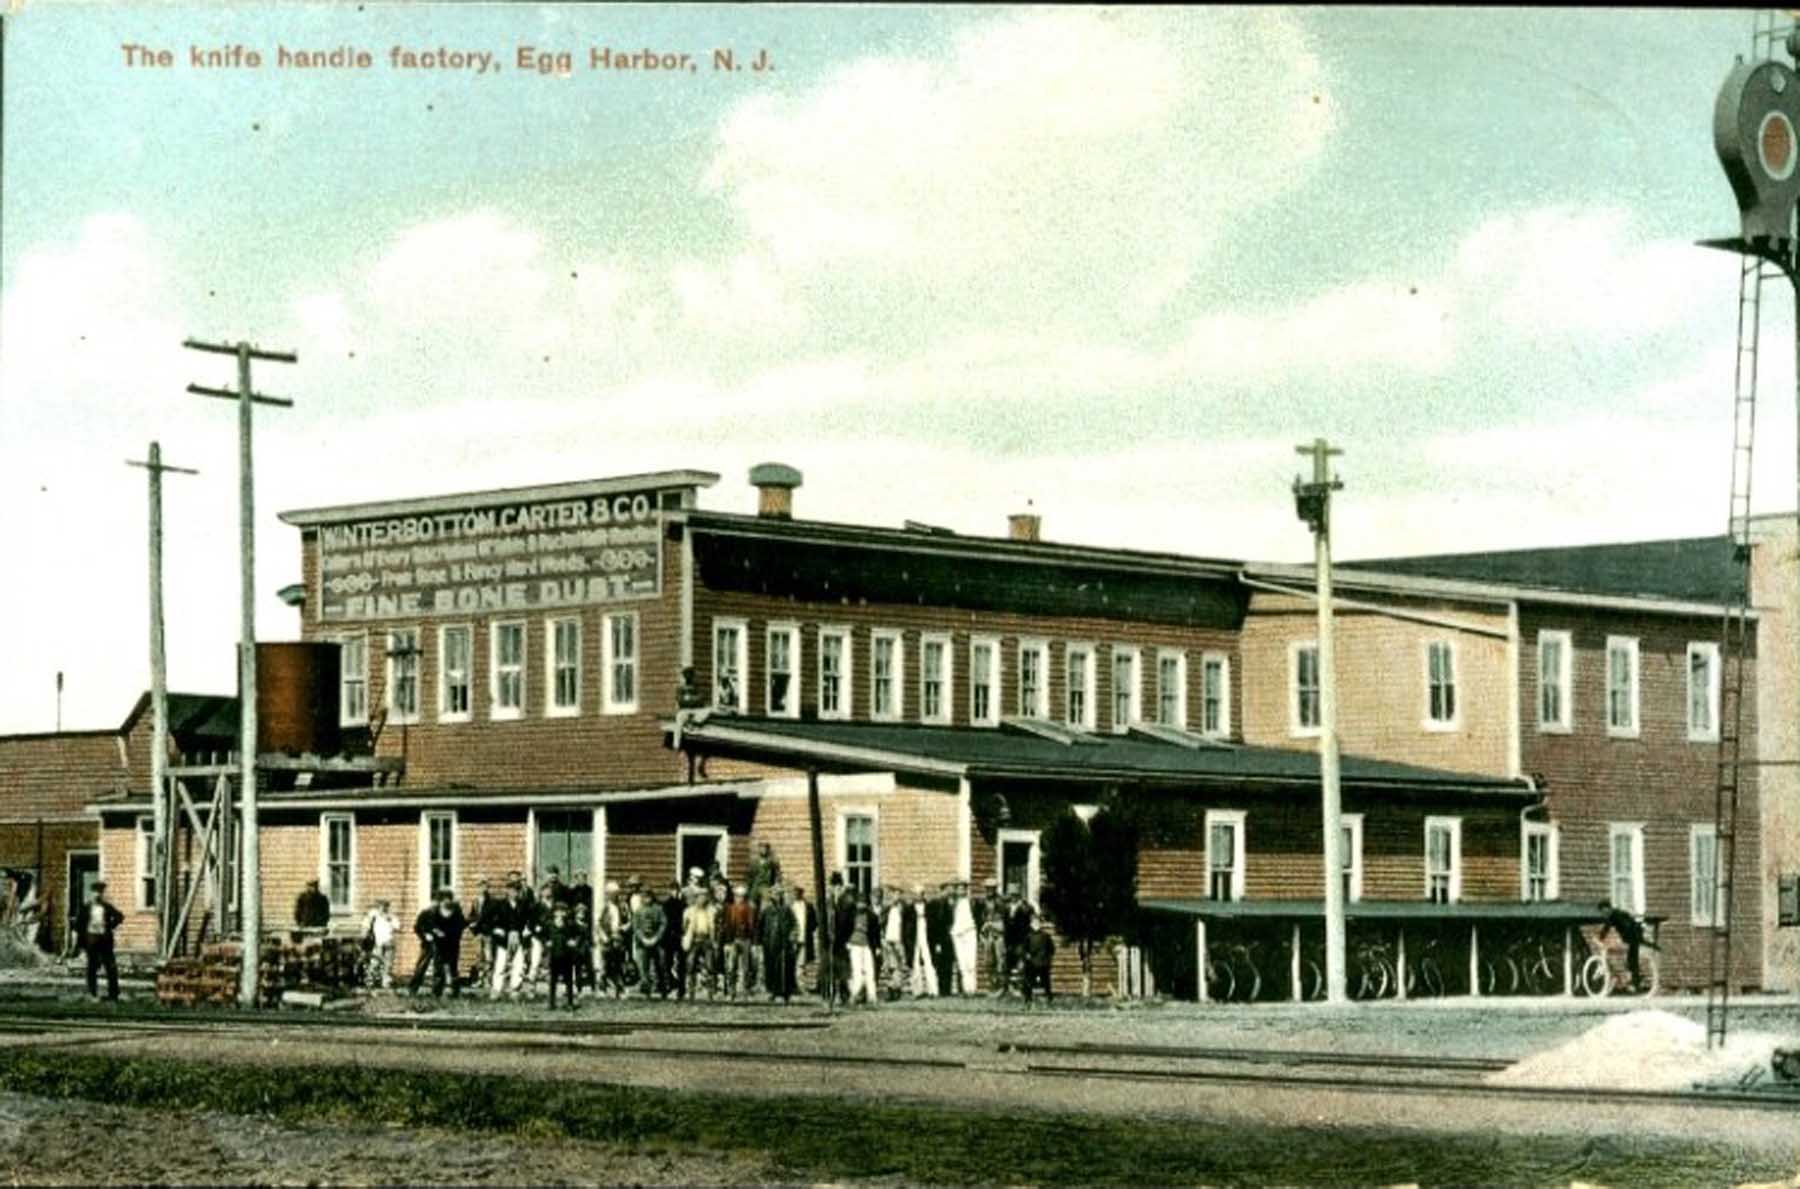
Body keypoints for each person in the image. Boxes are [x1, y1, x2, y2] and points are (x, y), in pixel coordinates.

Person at [409, 889, 467, 998]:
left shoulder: (456, 913)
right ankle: (413, 989)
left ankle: (441, 992)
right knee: (421, 967)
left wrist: (450, 935)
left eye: (449, 900)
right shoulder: (429, 912)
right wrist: (426, 935)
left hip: (448, 945)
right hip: (429, 944)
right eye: (443, 900)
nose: (446, 902)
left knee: (448, 968)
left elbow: (461, 926)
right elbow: (418, 927)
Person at [75, 881, 124, 1001]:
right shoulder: (86, 908)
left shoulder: (106, 907)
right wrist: (81, 941)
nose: (97, 895)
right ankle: (92, 993)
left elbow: (119, 916)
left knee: (111, 967)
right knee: (92, 967)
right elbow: (78, 925)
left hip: (105, 940)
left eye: (100, 892)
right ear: (91, 893)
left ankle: (114, 994)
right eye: (95, 892)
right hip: (91, 940)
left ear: (102, 894)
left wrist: (110, 926)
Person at [1597, 900, 1657, 991]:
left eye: (1603, 911)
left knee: (1631, 960)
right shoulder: (1619, 913)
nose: (1603, 914)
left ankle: (1634, 981)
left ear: (1607, 908)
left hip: (1631, 937)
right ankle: (1634, 980)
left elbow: (1607, 927)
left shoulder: (1613, 915)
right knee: (1632, 959)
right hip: (1633, 936)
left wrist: (1600, 938)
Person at [720, 881, 757, 999]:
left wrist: (754, 942)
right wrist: (726, 942)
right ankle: (731, 991)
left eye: (741, 896)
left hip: (745, 940)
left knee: (746, 968)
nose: (739, 898)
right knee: (731, 967)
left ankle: (746, 991)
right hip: (732, 940)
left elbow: (752, 926)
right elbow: (725, 925)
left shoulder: (749, 909)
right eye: (737, 896)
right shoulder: (729, 909)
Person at [682, 885, 719, 999]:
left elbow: (715, 927)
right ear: (696, 898)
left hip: (707, 939)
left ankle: (711, 991)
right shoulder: (689, 911)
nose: (702, 899)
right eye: (699, 897)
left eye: (704, 897)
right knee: (691, 964)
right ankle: (691, 991)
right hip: (695, 939)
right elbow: (684, 926)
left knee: (710, 965)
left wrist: (714, 941)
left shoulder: (712, 910)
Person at [631, 883, 667, 998]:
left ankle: (662, 989)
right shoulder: (638, 911)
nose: (647, 899)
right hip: (642, 942)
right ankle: (646, 990)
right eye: (644, 896)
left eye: (649, 896)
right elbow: (635, 926)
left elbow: (663, 924)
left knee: (660, 965)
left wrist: (656, 938)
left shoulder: (658, 910)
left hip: (656, 941)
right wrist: (643, 938)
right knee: (643, 966)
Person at [845, 890, 880, 1006]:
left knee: (870, 971)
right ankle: (855, 994)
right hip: (854, 945)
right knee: (857, 971)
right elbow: (845, 929)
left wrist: (877, 946)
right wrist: (846, 942)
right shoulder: (850, 915)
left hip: (867, 945)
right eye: (860, 902)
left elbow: (876, 933)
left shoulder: (871, 916)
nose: (861, 905)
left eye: (863, 903)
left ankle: (872, 996)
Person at [761, 885, 795, 1002]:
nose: (777, 896)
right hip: (770, 943)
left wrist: (791, 938)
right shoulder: (767, 911)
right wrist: (761, 942)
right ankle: (773, 991)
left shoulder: (786, 910)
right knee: (771, 968)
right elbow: (761, 926)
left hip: (784, 944)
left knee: (784, 968)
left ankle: (785, 992)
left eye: (780, 894)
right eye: (775, 894)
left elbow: (793, 925)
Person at [545, 901, 581, 1010]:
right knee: (553, 980)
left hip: (566, 955)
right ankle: (552, 1002)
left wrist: (574, 941)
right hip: (554, 954)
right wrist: (546, 942)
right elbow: (543, 935)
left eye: (562, 911)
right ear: (554, 913)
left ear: (565, 913)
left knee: (568, 980)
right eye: (558, 911)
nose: (560, 914)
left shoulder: (570, 924)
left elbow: (579, 934)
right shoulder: (549, 924)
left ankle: (569, 1002)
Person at [1003, 890, 1037, 995]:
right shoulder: (1006, 907)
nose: (1013, 897)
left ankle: (1022, 988)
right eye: (1011, 895)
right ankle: (1010, 988)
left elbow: (1032, 918)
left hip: (1021, 939)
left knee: (1021, 964)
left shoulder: (1025, 907)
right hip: (1009, 940)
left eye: (1015, 895)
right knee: (1009, 963)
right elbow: (1005, 923)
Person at [361, 899, 400, 991]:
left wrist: (389, 919)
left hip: (389, 941)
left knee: (388, 963)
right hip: (377, 942)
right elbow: (365, 926)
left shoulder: (391, 916)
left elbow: (397, 926)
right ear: (378, 907)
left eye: (385, 906)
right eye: (381, 906)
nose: (383, 908)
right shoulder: (373, 915)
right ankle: (370, 981)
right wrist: (365, 934)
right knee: (375, 961)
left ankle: (385, 982)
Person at [950, 880, 979, 996]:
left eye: (963, 888)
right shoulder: (953, 904)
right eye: (959, 889)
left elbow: (977, 916)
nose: (961, 891)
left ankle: (972, 988)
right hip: (957, 933)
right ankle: (966, 989)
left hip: (970, 932)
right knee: (962, 962)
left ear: (966, 890)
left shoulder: (972, 902)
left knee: (970, 961)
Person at [927, 883, 956, 996]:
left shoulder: (950, 904)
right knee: (940, 964)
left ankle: (947, 989)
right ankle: (941, 989)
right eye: (947, 890)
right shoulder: (935, 904)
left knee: (948, 963)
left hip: (948, 939)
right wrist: (937, 942)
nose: (949, 893)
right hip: (939, 938)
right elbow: (934, 924)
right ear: (941, 891)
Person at [979, 879, 1008, 997]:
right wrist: (983, 932)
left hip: (999, 932)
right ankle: (992, 986)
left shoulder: (1001, 901)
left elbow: (1004, 919)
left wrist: (993, 925)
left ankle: (1002, 987)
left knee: (1000, 960)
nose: (989, 890)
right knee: (988, 961)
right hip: (987, 934)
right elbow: (981, 917)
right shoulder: (983, 902)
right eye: (987, 888)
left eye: (991, 888)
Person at [910, 884, 938, 998]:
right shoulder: (910, 908)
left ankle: (933, 990)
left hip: (926, 936)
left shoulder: (930, 908)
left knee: (929, 962)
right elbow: (906, 927)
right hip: (915, 937)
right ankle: (917, 991)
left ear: (923, 895)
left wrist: (935, 941)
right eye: (916, 894)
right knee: (915, 962)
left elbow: (934, 925)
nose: (918, 896)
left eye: (920, 894)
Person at [662, 879, 688, 999]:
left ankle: (681, 989)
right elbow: (664, 922)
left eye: (676, 889)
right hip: (668, 937)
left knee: (681, 963)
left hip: (680, 935)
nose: (674, 892)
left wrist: (684, 933)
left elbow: (686, 920)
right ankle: (671, 985)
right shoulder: (666, 904)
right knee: (668, 963)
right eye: (672, 889)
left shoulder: (683, 904)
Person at [1021, 918, 1056, 1006]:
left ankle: (1048, 999)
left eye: (1037, 924)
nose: (1036, 925)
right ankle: (1028, 1000)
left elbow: (1052, 949)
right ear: (1031, 925)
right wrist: (1027, 955)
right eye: (1034, 924)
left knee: (1046, 982)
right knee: (1028, 982)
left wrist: (1048, 959)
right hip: (1033, 963)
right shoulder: (1028, 936)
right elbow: (1024, 950)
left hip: (1043, 963)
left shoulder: (1045, 936)